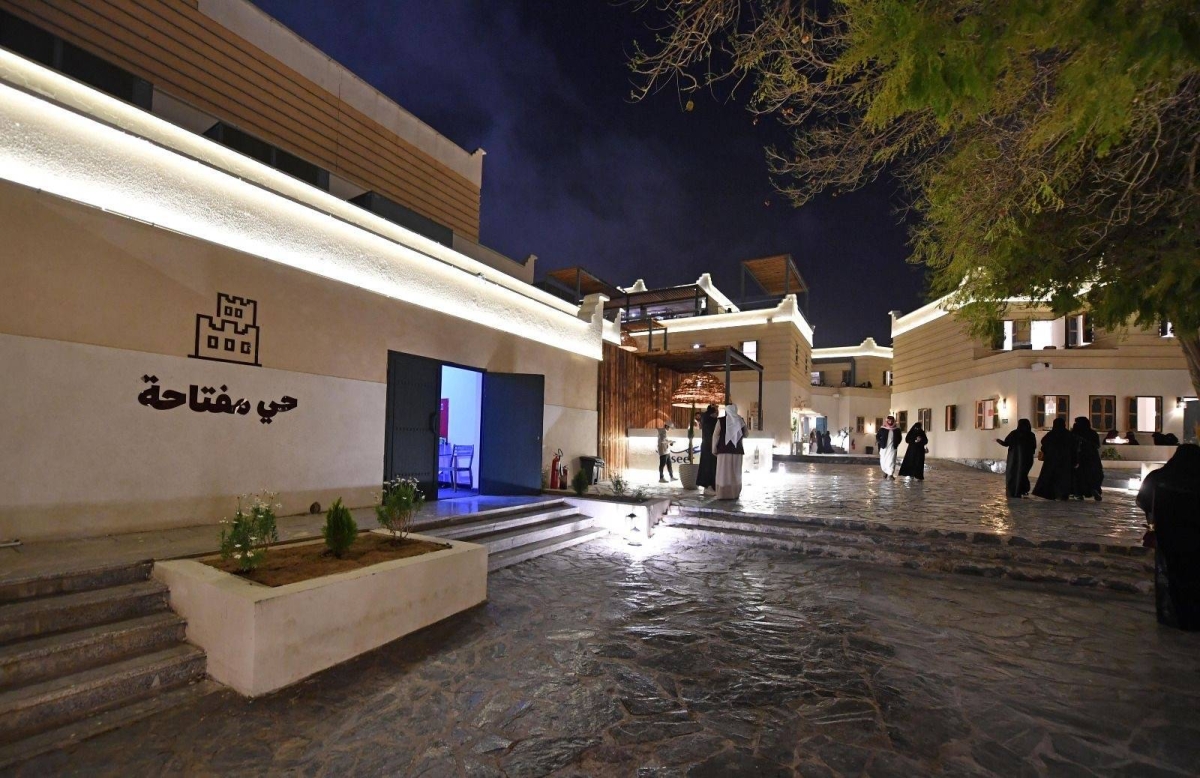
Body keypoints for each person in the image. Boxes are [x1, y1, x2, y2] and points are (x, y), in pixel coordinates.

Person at [1135, 444, 1200, 629]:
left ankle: (1175, 615)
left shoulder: (1158, 477)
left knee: (1172, 574)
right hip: (1195, 537)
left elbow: (1143, 500)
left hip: (1168, 535)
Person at [1032, 417, 1074, 500]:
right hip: (1065, 459)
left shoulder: (1051, 434)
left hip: (1051, 459)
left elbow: (1044, 443)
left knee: (1051, 477)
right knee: (1064, 477)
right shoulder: (1068, 434)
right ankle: (1063, 494)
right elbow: (1073, 446)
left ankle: (1051, 494)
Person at [997, 419, 1037, 498]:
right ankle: (1023, 490)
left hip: (1013, 459)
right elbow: (1034, 446)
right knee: (1023, 474)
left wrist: (998, 440)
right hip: (1027, 459)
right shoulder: (1031, 435)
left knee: (1013, 475)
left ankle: (1013, 491)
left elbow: (1006, 443)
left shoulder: (1014, 433)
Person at [713, 403, 746, 499]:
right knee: (735, 473)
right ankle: (734, 493)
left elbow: (716, 435)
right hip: (737, 451)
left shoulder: (721, 421)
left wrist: (714, 448)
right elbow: (746, 434)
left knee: (723, 473)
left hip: (723, 450)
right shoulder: (740, 420)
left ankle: (722, 494)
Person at [1071, 416, 1104, 501]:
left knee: (1080, 476)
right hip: (1092, 457)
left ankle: (1079, 493)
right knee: (1093, 475)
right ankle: (1093, 489)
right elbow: (1097, 445)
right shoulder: (1092, 433)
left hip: (1081, 457)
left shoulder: (1075, 433)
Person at [696, 404, 720, 495]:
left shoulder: (705, 419)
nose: (717, 413)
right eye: (716, 411)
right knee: (711, 466)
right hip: (710, 447)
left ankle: (707, 486)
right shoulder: (711, 421)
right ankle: (710, 486)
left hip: (706, 446)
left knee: (706, 466)